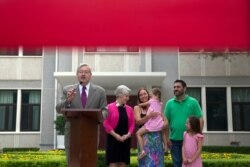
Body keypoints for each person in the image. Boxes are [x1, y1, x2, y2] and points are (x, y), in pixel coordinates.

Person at [56, 63, 107, 166]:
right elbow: (58, 109)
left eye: (86, 72)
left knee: (89, 160)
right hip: (72, 130)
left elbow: (105, 110)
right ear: (76, 75)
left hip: (91, 131)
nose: (83, 74)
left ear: (90, 75)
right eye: (81, 72)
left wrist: (99, 117)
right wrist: (68, 101)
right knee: (72, 161)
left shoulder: (100, 91)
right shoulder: (68, 90)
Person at [164, 79, 203, 167]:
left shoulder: (193, 102)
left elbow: (200, 119)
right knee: (177, 164)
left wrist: (197, 135)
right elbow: (165, 123)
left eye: (178, 87)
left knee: (191, 164)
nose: (175, 89)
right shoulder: (169, 104)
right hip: (175, 141)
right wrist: (167, 138)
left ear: (185, 88)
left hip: (191, 140)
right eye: (174, 87)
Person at [103, 85, 135, 167]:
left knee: (123, 162)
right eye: (126, 96)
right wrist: (115, 135)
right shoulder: (109, 107)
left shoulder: (130, 109)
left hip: (125, 139)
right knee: (113, 162)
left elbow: (132, 124)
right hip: (113, 138)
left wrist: (128, 135)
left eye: (128, 96)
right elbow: (106, 123)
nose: (128, 98)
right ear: (119, 95)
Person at [134, 88, 165, 166]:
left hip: (157, 138)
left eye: (144, 93)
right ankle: (142, 152)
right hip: (144, 139)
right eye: (140, 95)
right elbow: (138, 121)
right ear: (138, 97)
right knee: (146, 163)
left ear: (149, 95)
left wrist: (162, 126)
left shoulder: (156, 104)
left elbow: (165, 121)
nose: (143, 96)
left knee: (157, 161)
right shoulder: (137, 108)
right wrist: (149, 116)